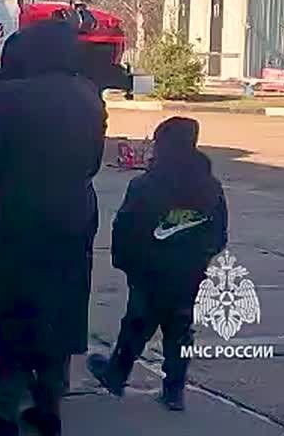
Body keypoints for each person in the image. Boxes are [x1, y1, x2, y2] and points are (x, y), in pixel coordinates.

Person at [0, 20, 106, 436]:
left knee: (13, 311)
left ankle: (4, 411)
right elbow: (94, 162)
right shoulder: (89, 96)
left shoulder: (8, 97)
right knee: (58, 311)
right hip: (74, 215)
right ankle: (49, 407)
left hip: (19, 217)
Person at [88, 117, 228, 412]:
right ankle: (174, 390)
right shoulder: (210, 187)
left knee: (137, 323)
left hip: (150, 270)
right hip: (188, 272)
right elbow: (218, 232)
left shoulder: (146, 185)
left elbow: (126, 227)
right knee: (180, 328)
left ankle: (117, 374)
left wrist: (125, 261)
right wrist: (202, 257)